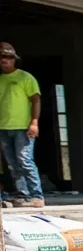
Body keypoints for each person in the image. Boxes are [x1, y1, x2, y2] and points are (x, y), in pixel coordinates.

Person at [0, 43, 42, 209]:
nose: (5, 60)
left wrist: (34, 122)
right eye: (2, 57)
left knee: (25, 160)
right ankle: (23, 195)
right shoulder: (1, 80)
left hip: (22, 128)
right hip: (3, 128)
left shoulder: (25, 78)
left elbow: (36, 100)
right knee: (12, 164)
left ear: (14, 60)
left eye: (8, 57)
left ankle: (36, 195)